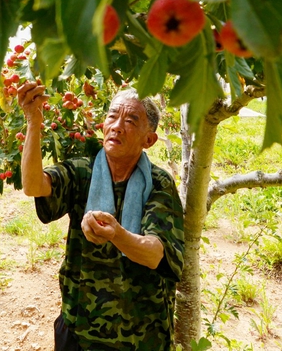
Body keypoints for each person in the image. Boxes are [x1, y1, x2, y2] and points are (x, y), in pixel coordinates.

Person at [17, 82, 185, 351]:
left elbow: (155, 253)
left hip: (140, 335)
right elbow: (34, 186)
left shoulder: (158, 183)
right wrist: (33, 122)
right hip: (81, 328)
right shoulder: (82, 171)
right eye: (112, 116)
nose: (118, 125)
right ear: (103, 126)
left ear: (149, 140)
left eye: (131, 120)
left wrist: (117, 235)